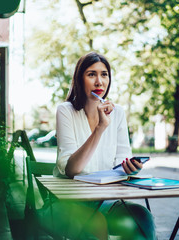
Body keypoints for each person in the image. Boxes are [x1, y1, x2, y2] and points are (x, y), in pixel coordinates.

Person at [54, 52, 156, 239]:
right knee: (96, 224)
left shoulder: (118, 113)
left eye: (104, 74)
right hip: (71, 201)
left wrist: (131, 168)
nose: (99, 82)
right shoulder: (65, 111)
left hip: (106, 201)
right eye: (91, 74)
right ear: (79, 79)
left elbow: (122, 163)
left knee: (142, 217)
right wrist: (100, 128)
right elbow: (72, 170)